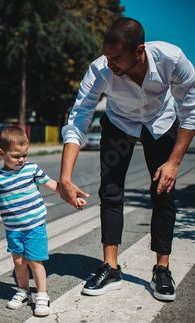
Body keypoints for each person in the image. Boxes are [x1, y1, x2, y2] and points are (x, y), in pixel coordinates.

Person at [59, 17, 195, 301]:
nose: (109, 63)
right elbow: (78, 119)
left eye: (117, 57)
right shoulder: (100, 69)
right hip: (119, 122)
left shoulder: (172, 59)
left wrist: (173, 163)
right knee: (110, 191)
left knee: (163, 191)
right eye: (107, 55)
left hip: (161, 120)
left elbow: (191, 109)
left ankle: (162, 269)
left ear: (139, 50)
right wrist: (65, 177)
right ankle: (111, 268)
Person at [0, 126, 87, 316]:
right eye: (16, 156)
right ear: (1, 153)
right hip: (13, 230)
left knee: (36, 261)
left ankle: (42, 295)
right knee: (19, 262)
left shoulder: (31, 169)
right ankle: (24, 292)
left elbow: (52, 185)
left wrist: (72, 197)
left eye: (24, 155)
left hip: (34, 226)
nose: (21, 160)